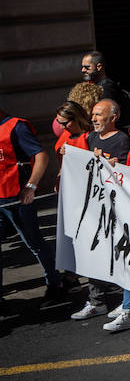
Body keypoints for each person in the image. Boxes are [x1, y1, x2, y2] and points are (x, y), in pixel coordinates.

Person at [0, 109, 62, 297]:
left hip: (16, 198)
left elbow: (41, 156)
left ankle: (54, 283)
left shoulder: (16, 126)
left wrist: (31, 186)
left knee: (33, 241)